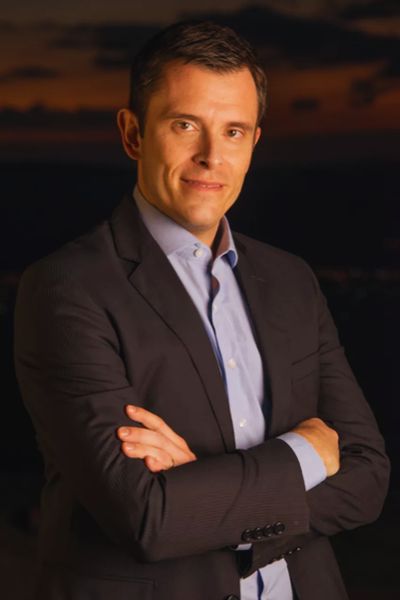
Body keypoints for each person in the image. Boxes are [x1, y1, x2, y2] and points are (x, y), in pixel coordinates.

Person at [14, 21, 389, 600]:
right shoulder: (65, 290)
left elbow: (368, 478)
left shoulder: (290, 280)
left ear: (254, 142)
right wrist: (305, 452)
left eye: (233, 131)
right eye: (185, 124)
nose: (212, 156)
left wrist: (203, 495)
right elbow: (148, 517)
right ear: (133, 133)